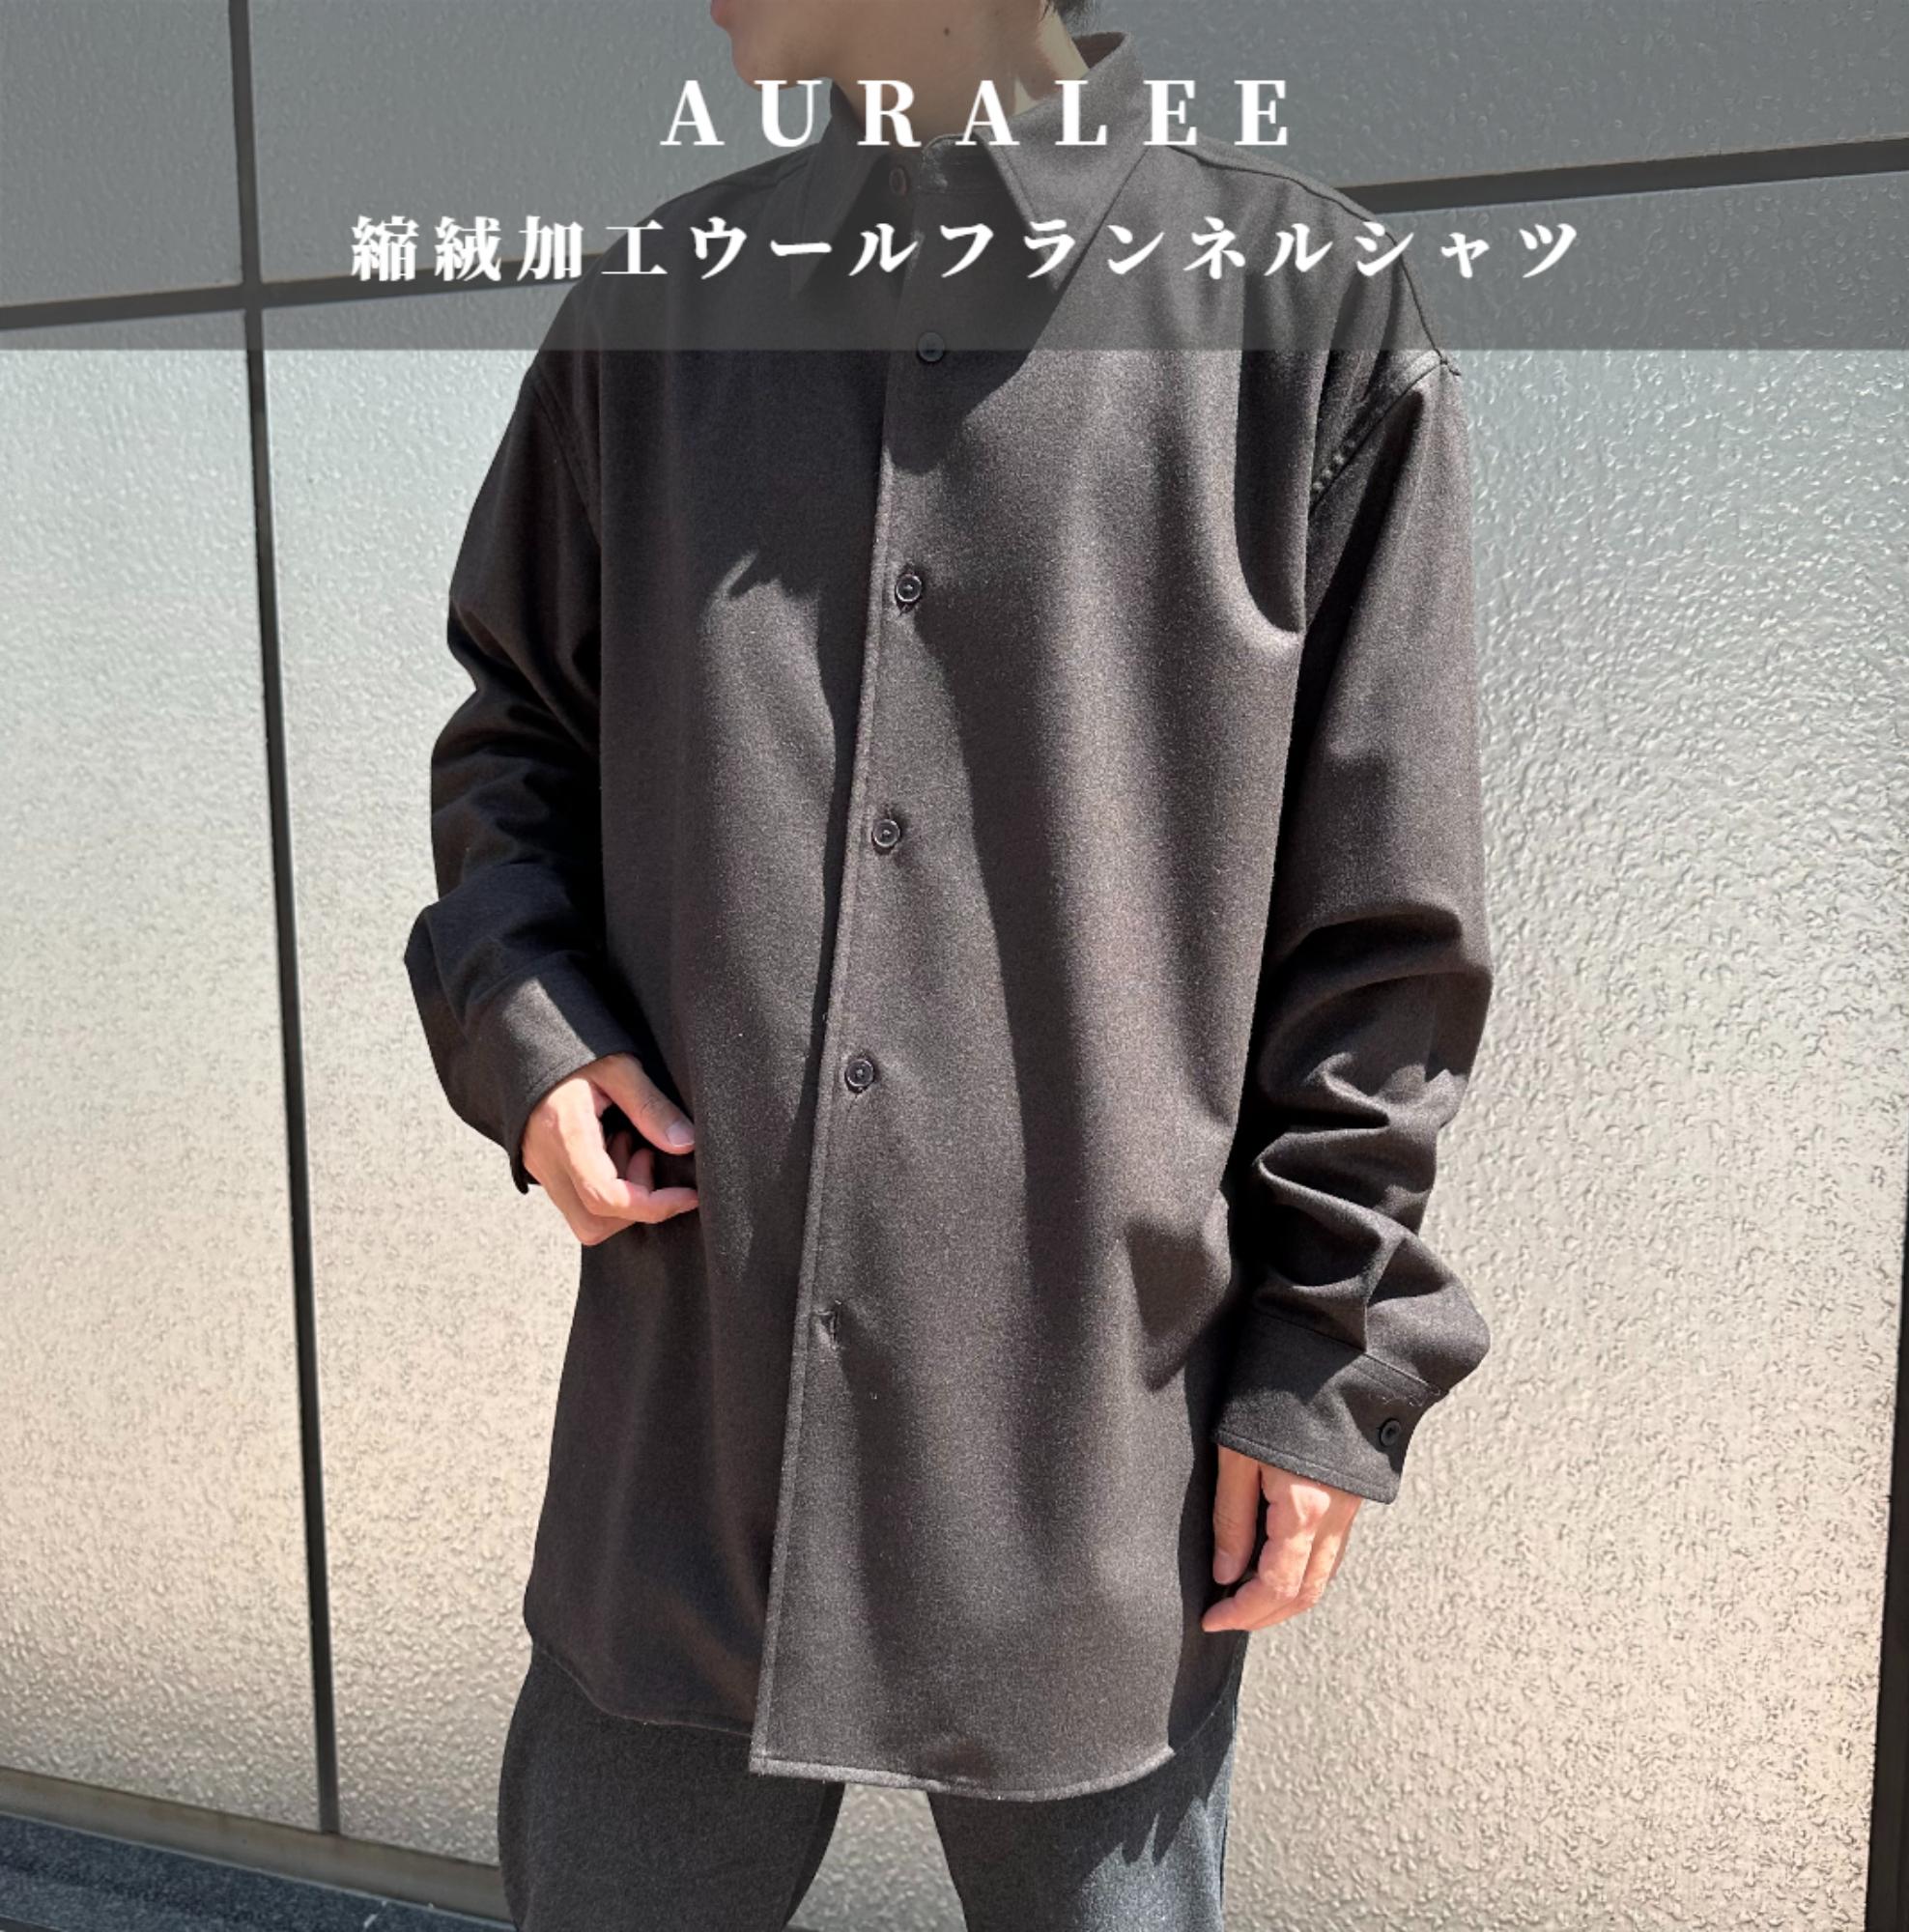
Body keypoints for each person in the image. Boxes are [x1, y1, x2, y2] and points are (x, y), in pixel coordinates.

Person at [403, 1, 1495, 1926]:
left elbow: (1379, 924)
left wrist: (1322, 1360)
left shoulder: (1299, 315)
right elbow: (516, 738)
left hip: (1093, 1456)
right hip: (690, 1423)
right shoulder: (658, 313)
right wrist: (530, 1030)